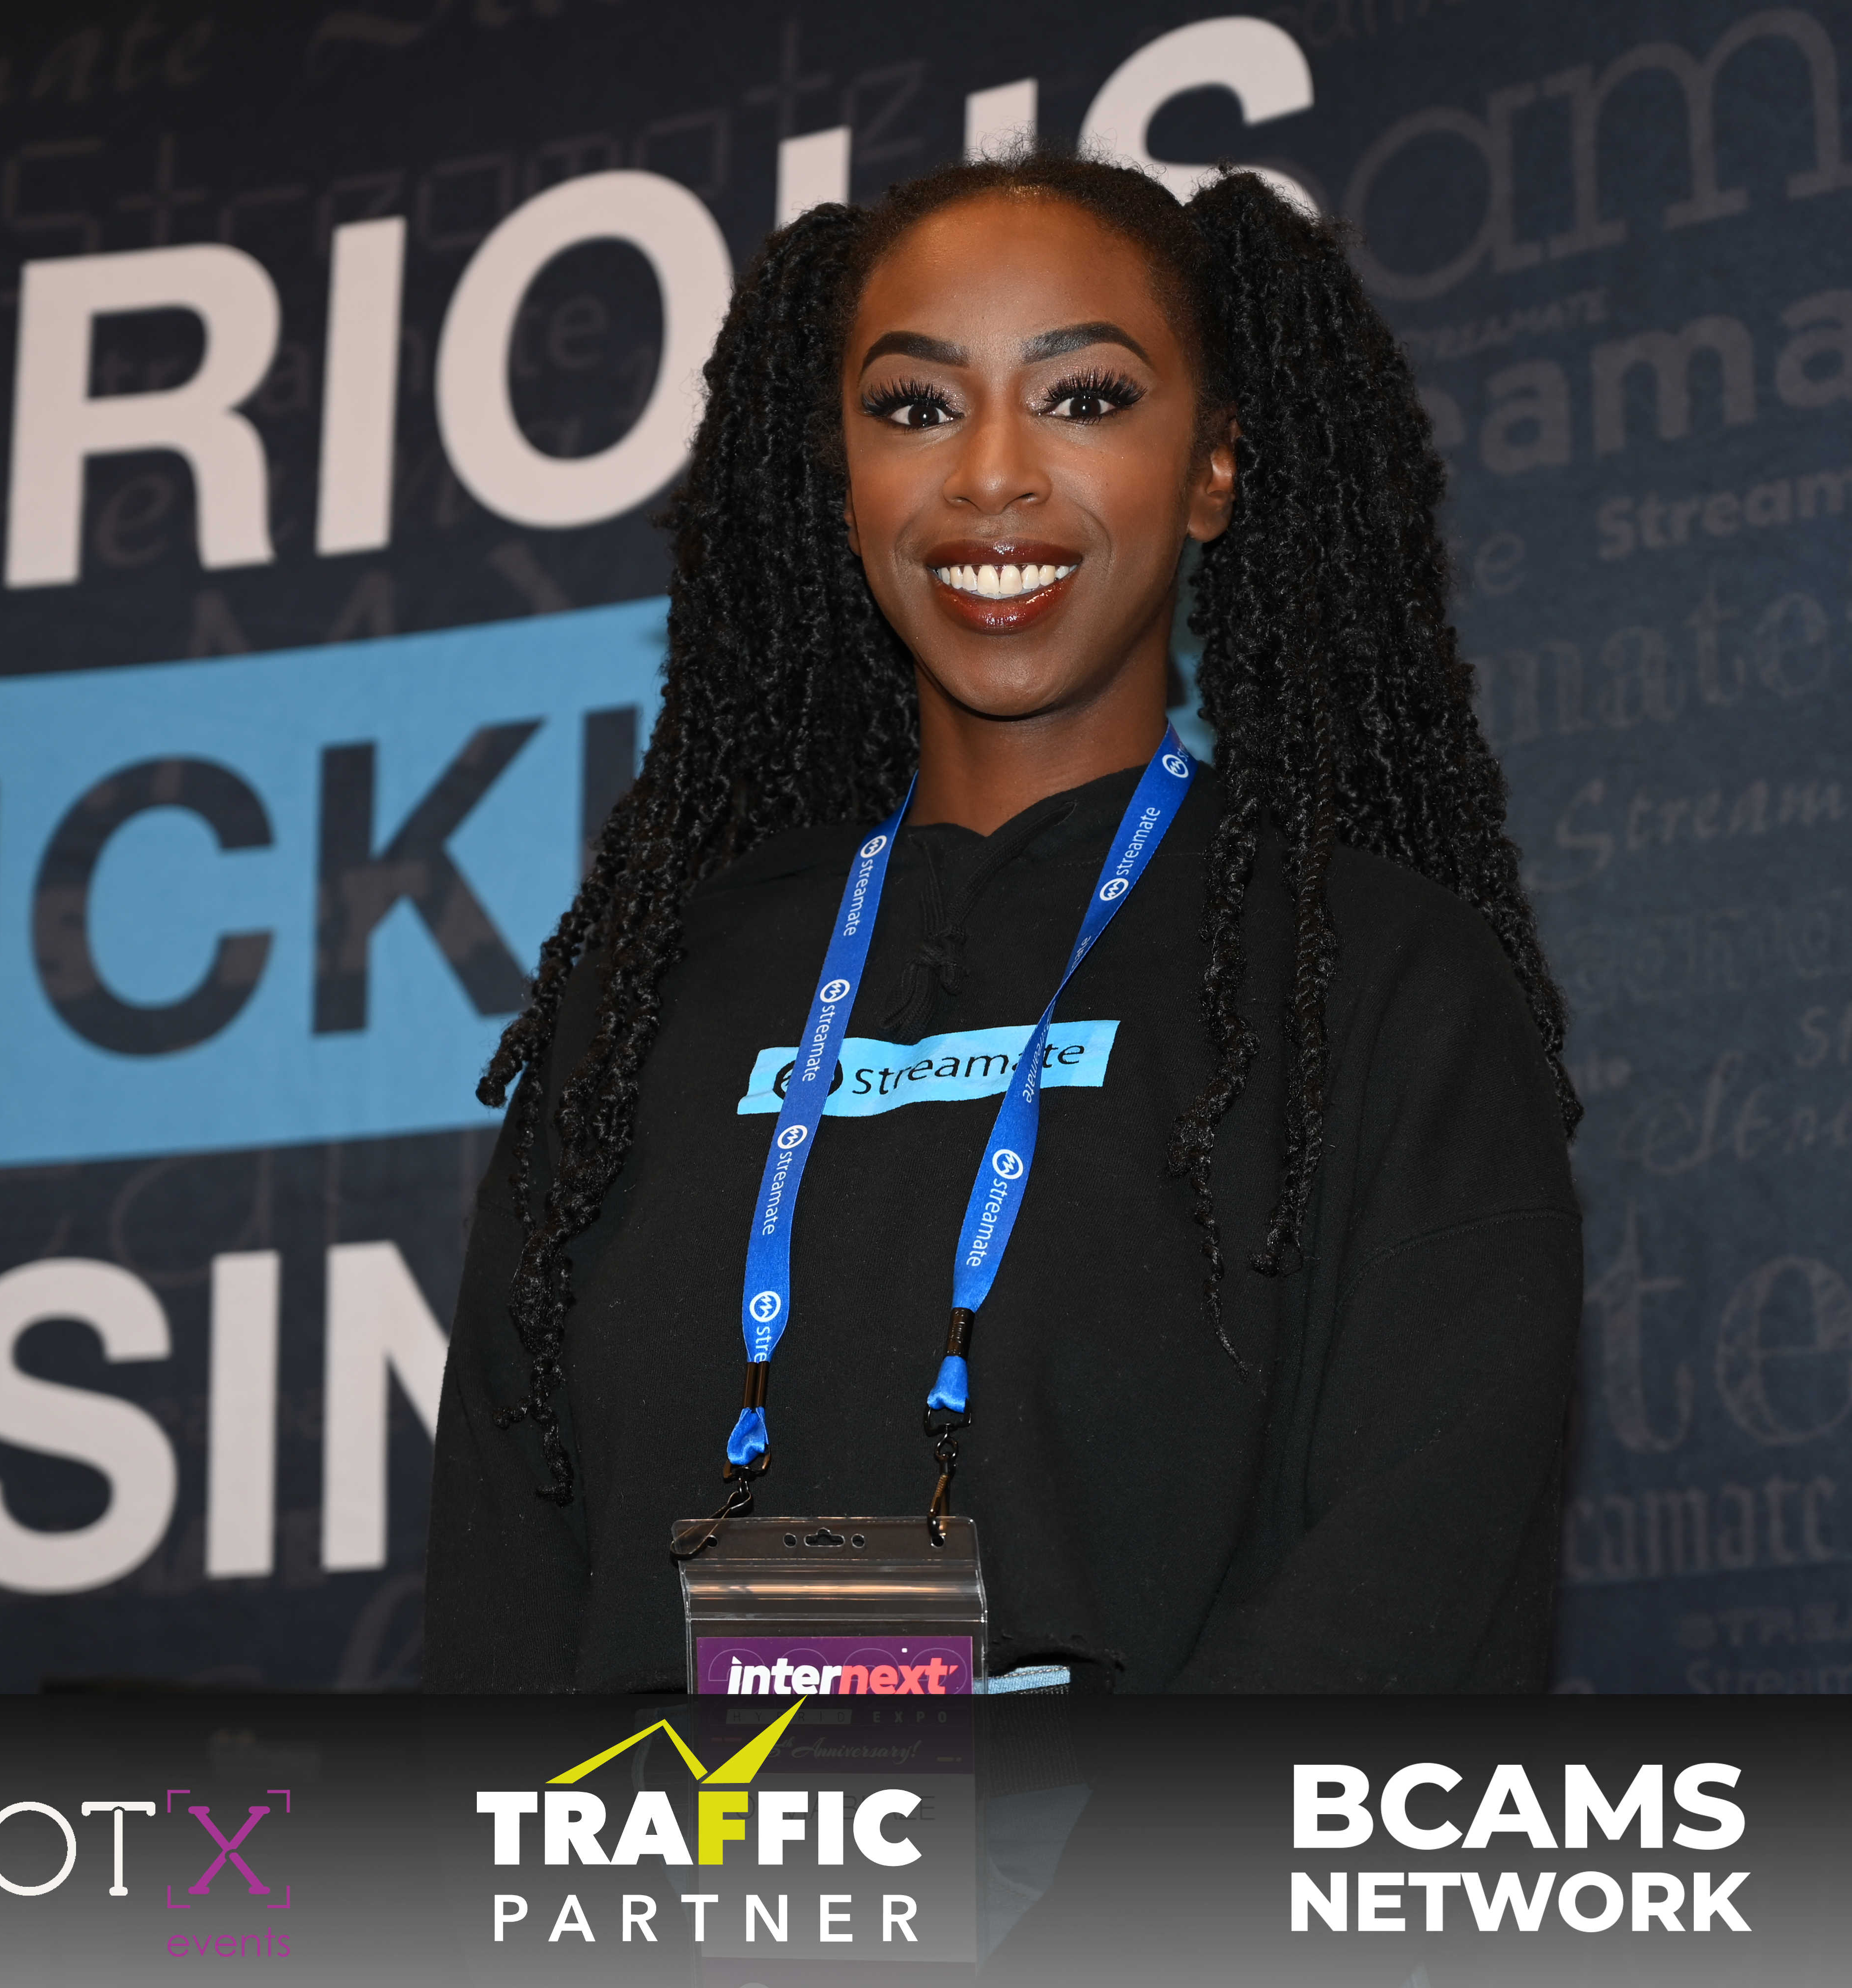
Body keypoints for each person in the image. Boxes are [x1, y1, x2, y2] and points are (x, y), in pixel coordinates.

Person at [422, 152, 1582, 1694]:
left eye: (1083, 397)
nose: (990, 475)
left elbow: (1410, 1591)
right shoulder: (644, 1003)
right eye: (915, 408)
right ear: (844, 483)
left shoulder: (1378, 983)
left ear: (1216, 468)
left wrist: (1067, 1854)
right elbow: (502, 1608)